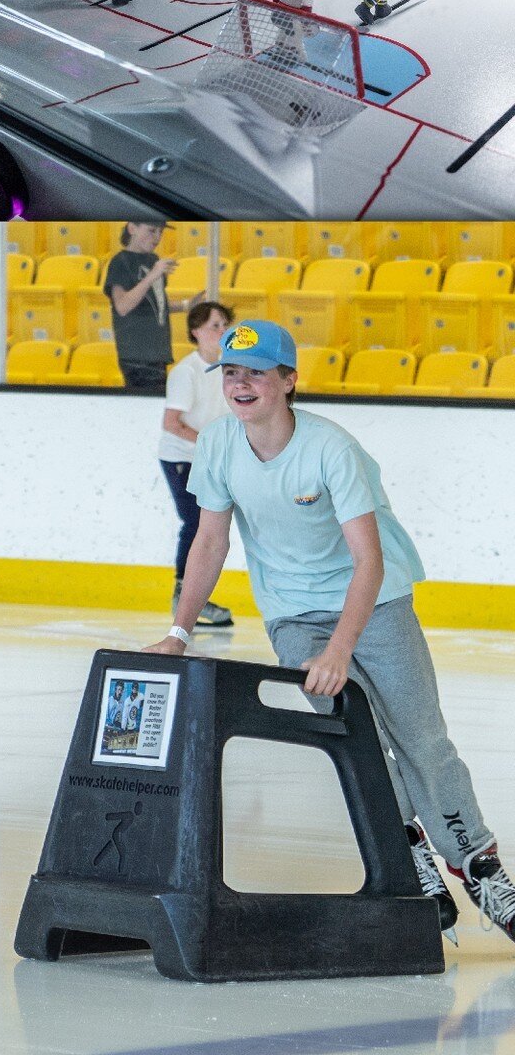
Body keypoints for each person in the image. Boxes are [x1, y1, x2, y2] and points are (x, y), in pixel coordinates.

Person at [143, 319, 515, 942]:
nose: (240, 385)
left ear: (288, 381)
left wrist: (341, 649)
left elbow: (367, 560)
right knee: (362, 744)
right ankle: (410, 853)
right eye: (231, 373)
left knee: (422, 740)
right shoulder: (216, 446)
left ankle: (479, 866)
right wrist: (179, 630)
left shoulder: (330, 449)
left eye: (255, 373)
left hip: (377, 602)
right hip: (293, 615)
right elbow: (210, 538)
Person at [159, 299, 236, 629]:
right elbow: (172, 423)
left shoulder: (228, 368)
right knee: (195, 523)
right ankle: (184, 596)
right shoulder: (186, 372)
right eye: (213, 326)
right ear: (195, 332)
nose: (221, 331)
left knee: (209, 526)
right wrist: (211, 445)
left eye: (224, 325)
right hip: (182, 458)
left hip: (208, 457)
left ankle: (194, 596)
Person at [104, 221, 190, 392]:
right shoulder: (120, 262)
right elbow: (122, 306)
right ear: (132, 228)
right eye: (152, 231)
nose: (157, 237)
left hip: (157, 351)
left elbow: (153, 305)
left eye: (160, 232)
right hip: (136, 353)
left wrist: (186, 305)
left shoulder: (154, 260)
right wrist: (152, 276)